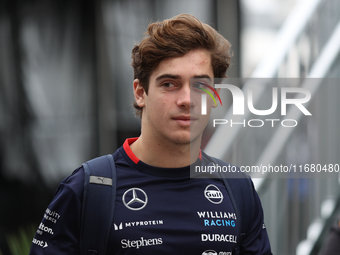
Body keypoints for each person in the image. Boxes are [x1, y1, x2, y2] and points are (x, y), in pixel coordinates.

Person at [29, 14, 272, 254]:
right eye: (169, 84)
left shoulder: (238, 189)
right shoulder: (88, 188)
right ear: (140, 92)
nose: (187, 100)